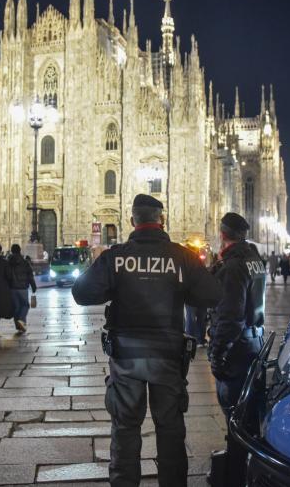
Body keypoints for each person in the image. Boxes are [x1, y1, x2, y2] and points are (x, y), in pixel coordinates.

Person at [72, 194, 221, 487]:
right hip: (167, 358)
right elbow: (213, 294)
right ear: (162, 220)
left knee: (125, 428)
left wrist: (113, 286)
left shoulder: (116, 256)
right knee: (170, 429)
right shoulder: (182, 257)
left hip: (126, 358)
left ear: (132, 221)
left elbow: (82, 293)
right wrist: (182, 291)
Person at [207, 212, 266, 487]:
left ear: (222, 233)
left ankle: (234, 476)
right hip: (254, 342)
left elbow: (230, 315)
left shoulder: (233, 266)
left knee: (235, 417)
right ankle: (245, 471)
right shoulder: (255, 260)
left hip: (237, 347)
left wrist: (218, 352)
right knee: (248, 415)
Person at [8, 244, 37, 335]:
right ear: (20, 250)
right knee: (25, 305)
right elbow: (30, 275)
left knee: (16, 307)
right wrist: (33, 286)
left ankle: (20, 327)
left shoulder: (8, 262)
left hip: (12, 288)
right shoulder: (25, 262)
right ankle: (21, 321)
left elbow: (5, 275)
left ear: (12, 251)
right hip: (23, 287)